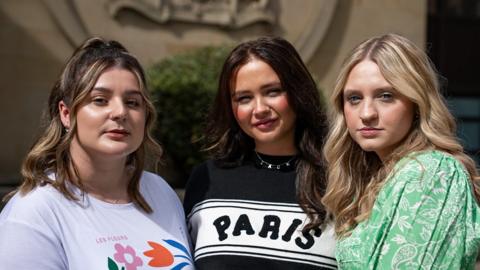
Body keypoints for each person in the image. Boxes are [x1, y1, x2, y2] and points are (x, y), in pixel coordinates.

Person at [0, 37, 193, 270]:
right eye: (100, 100)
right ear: (66, 114)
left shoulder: (161, 192)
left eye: (132, 102)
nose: (120, 112)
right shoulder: (34, 213)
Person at [321, 33, 480, 269]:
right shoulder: (373, 180)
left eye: (386, 96)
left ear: (417, 104)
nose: (366, 113)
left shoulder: (431, 173)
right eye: (354, 98)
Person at [183, 36, 337, 269]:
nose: (260, 109)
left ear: (298, 92)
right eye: (244, 98)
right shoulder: (206, 179)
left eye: (273, 92)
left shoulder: (340, 180)